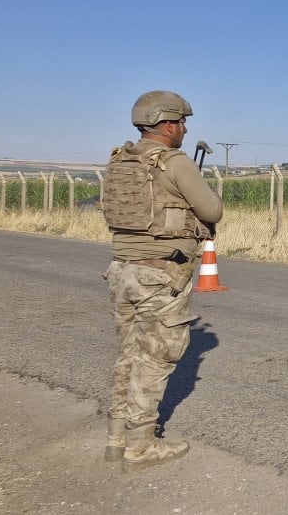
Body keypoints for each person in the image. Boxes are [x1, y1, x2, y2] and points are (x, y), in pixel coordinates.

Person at [101, 90, 223, 472]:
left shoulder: (121, 160)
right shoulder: (175, 163)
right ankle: (140, 446)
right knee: (155, 359)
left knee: (129, 354)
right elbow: (212, 209)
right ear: (168, 125)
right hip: (161, 273)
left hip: (122, 270)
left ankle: (116, 437)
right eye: (182, 122)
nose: (185, 129)